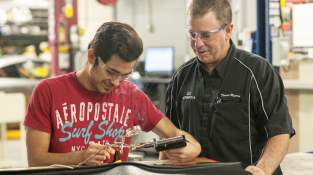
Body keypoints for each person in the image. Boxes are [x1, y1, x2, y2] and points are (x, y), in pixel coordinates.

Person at [24, 22, 201, 167]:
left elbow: (175, 134)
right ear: (92, 57)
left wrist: (194, 147)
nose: (116, 82)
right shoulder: (48, 91)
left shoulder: (130, 94)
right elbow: (35, 160)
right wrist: (81, 157)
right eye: (111, 71)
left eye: (125, 75)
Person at [164, 0, 295, 175]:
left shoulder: (257, 72)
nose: (197, 43)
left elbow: (279, 131)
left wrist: (262, 170)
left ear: (228, 30)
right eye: (192, 34)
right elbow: (169, 135)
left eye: (206, 35)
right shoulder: (181, 77)